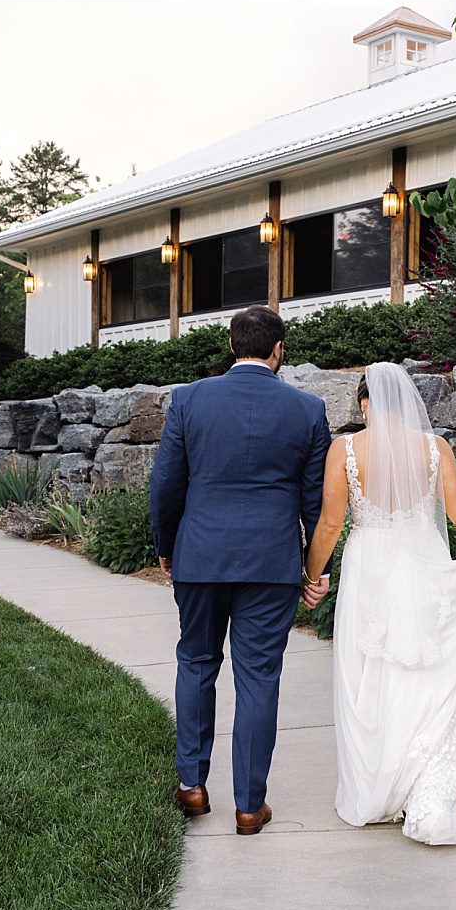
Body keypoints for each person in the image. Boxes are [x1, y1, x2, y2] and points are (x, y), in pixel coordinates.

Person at [301, 362, 456, 846]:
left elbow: (328, 526)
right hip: (425, 563)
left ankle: (373, 792)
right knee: (420, 672)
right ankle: (416, 783)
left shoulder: (345, 451)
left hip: (371, 569)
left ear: (365, 404)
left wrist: (311, 575)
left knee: (364, 673)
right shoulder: (435, 448)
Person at [148, 305, 331, 835]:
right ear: (279, 350)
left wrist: (167, 546)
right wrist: (313, 571)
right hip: (272, 565)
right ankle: (250, 805)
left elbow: (165, 484)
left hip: (200, 555)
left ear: (233, 346)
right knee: (259, 677)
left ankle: (192, 784)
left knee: (197, 660)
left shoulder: (188, 400)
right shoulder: (307, 408)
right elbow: (314, 502)